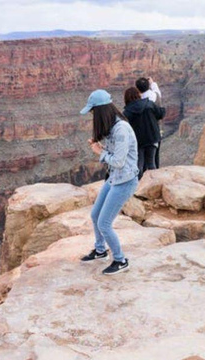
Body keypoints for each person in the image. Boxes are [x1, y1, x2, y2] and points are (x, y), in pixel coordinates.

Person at [79, 89, 139, 275]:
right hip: (114, 178)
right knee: (95, 215)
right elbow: (116, 155)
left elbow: (119, 161)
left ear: (101, 111)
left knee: (104, 223)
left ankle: (121, 260)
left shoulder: (121, 129)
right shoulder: (113, 126)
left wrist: (100, 152)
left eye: (93, 112)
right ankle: (100, 250)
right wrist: (102, 146)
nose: (92, 116)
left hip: (125, 181)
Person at [123, 86, 165, 179]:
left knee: (139, 165)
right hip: (152, 137)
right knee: (151, 163)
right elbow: (161, 114)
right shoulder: (149, 104)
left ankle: (137, 187)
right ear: (138, 94)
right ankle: (153, 186)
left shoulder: (126, 112)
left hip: (138, 141)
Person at [136, 77, 163, 168]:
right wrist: (152, 83)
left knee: (141, 160)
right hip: (155, 130)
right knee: (154, 158)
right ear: (148, 86)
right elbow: (157, 91)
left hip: (141, 133)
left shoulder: (137, 101)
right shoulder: (156, 96)